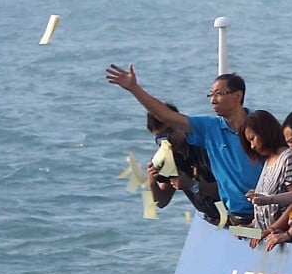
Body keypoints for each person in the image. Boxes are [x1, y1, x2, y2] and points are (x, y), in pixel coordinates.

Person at [106, 64, 263, 225]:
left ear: (237, 96)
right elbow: (160, 203)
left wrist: (194, 185)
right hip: (228, 219)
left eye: (219, 94)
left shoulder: (259, 125)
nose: (213, 100)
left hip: (260, 211)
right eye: (211, 95)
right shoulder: (204, 131)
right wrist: (134, 88)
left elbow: (282, 159)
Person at [239, 110, 292, 249]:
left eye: (252, 139)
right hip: (268, 237)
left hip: (284, 240)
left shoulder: (288, 158)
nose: (252, 146)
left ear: (264, 132)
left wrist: (272, 229)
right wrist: (251, 226)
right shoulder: (268, 161)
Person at [144, 108, 221, 224]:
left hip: (238, 217)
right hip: (212, 219)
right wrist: (152, 183)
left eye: (170, 131)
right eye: (161, 137)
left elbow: (231, 190)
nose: (168, 140)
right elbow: (162, 202)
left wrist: (194, 185)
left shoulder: (206, 146)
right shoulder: (169, 158)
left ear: (180, 123)